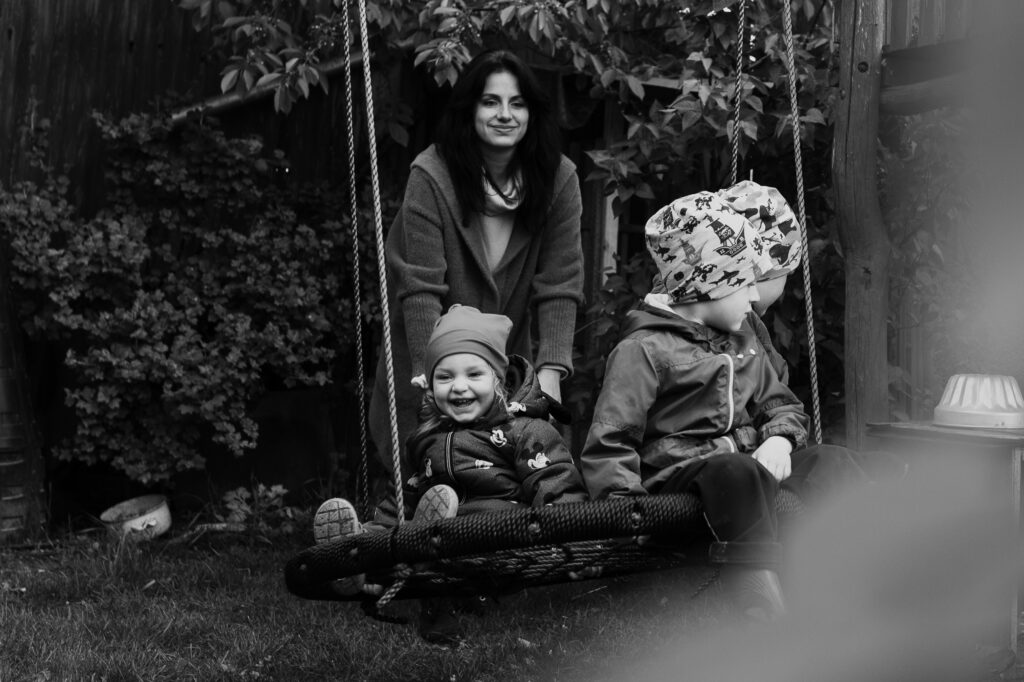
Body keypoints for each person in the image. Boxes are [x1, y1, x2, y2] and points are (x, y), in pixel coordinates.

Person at [580, 191, 866, 622]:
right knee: (736, 470)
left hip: (751, 472)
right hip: (682, 482)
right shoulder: (643, 350)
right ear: (707, 284)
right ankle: (759, 599)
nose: (754, 296)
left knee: (832, 461)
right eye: (745, 282)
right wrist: (629, 516)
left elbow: (782, 405)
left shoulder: (744, 342)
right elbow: (611, 441)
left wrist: (781, 441)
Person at [367, 49, 584, 529]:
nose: (505, 114)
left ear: (533, 112)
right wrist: (432, 374)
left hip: (503, 351)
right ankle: (389, 544)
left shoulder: (559, 178)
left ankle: (500, 546)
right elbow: (421, 285)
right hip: (429, 347)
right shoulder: (432, 175)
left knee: (511, 458)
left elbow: (560, 283)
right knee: (422, 464)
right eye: (490, 102)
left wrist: (551, 372)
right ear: (469, 110)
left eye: (517, 103)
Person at [317, 304, 587, 642]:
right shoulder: (427, 439)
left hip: (500, 537)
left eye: (473, 375)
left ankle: (406, 563)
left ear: (498, 380)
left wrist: (566, 534)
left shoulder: (522, 430)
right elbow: (404, 498)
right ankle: (359, 549)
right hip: (438, 539)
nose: (459, 387)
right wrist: (383, 529)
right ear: (431, 385)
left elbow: (554, 479)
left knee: (432, 542)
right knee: (406, 528)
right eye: (445, 377)